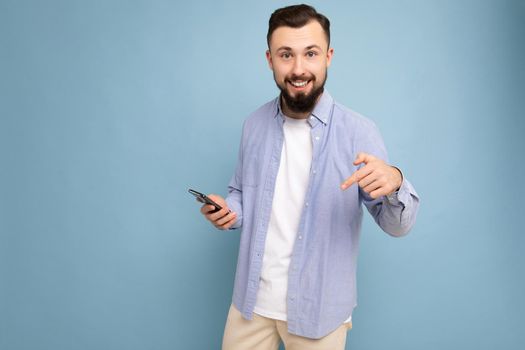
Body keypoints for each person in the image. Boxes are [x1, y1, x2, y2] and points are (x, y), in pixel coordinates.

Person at [199, 4, 420, 350]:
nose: (299, 68)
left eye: (310, 53)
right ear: (270, 59)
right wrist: (227, 210)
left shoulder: (359, 132)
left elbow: (397, 226)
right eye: (286, 54)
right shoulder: (253, 125)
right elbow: (241, 194)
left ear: (328, 56)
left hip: (319, 311)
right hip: (251, 304)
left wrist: (396, 182)